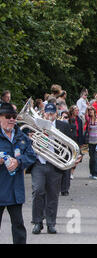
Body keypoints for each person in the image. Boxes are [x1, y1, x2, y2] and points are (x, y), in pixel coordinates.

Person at [29, 103, 75, 235]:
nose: (49, 116)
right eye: (47, 113)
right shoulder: (36, 125)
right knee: (38, 191)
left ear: (56, 114)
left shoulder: (63, 126)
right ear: (44, 113)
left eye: (52, 113)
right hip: (39, 163)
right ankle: (37, 222)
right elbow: (26, 142)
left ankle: (51, 224)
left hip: (55, 164)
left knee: (53, 195)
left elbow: (71, 143)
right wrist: (31, 138)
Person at [0, 103, 36, 244]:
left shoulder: (21, 135)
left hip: (15, 190)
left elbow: (31, 156)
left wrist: (19, 161)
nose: (11, 120)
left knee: (19, 226)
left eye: (14, 117)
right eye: (8, 117)